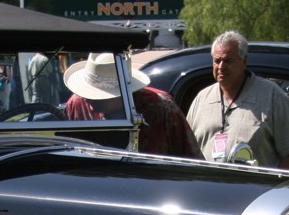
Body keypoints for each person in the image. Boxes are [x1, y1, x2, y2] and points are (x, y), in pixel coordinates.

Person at [186, 31, 289, 169]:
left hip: (256, 188)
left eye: (228, 61)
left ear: (244, 61)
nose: (221, 67)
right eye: (217, 61)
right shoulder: (202, 98)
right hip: (209, 187)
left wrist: (275, 183)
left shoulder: (271, 95)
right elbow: (186, 147)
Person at [63, 53, 202, 159]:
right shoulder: (77, 104)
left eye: (98, 95)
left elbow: (190, 158)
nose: (89, 99)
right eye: (88, 93)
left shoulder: (161, 107)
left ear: (122, 94)